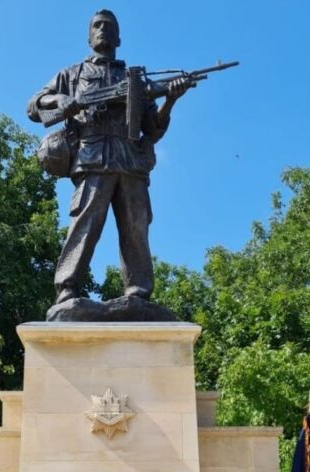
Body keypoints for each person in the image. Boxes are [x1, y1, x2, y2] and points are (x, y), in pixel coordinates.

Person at [27, 10, 190, 306]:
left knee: (136, 225)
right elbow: (34, 105)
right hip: (91, 155)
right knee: (86, 223)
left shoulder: (136, 80)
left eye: (109, 26)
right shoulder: (72, 74)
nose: (103, 30)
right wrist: (61, 100)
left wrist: (170, 99)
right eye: (97, 26)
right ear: (89, 37)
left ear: (119, 37)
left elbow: (152, 129)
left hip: (130, 160)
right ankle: (67, 287)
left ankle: (138, 291)